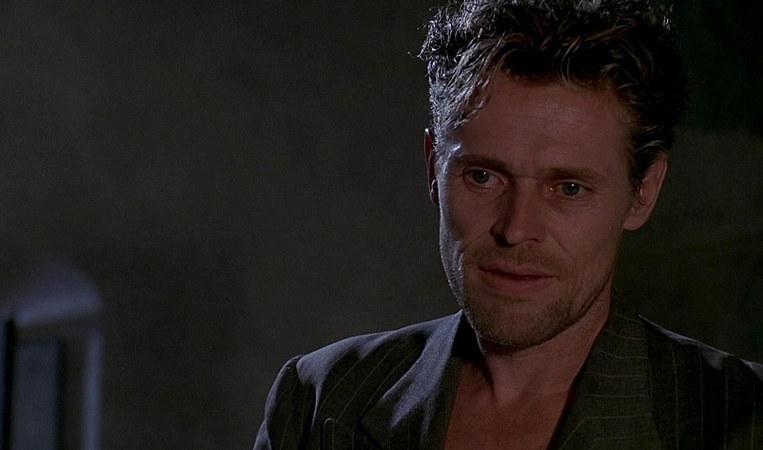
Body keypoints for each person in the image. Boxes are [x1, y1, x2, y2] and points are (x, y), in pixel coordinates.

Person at [255, 0, 763, 448]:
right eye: (483, 176)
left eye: (568, 188)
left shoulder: (743, 420)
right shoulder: (322, 400)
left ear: (643, 191)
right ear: (433, 169)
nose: (516, 229)